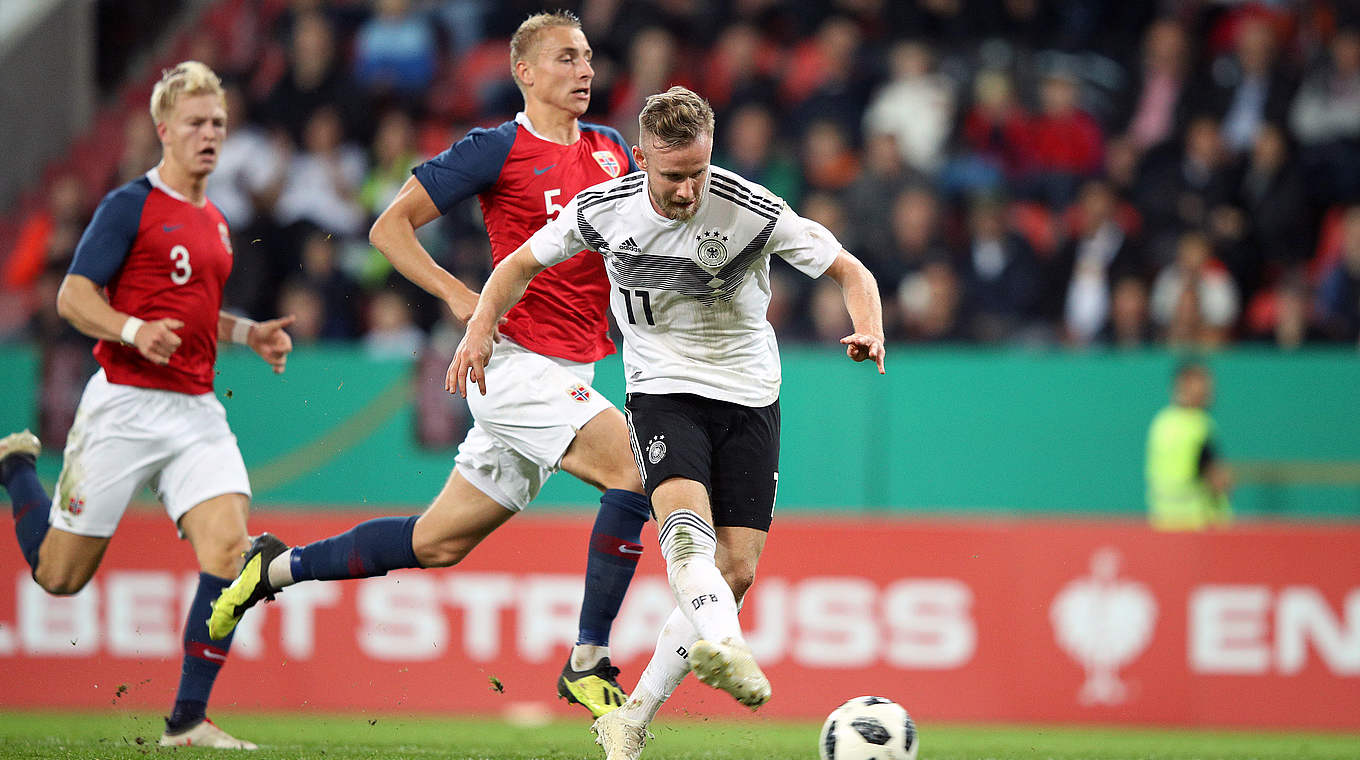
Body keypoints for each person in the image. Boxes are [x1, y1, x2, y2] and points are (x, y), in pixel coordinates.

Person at [206, 11, 650, 719]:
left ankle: (272, 567)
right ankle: (588, 657)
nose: (586, 70)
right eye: (566, 58)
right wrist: (456, 294)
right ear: (525, 73)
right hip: (513, 366)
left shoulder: (610, 149)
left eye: (589, 57)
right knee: (633, 469)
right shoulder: (494, 148)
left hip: (574, 368)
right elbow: (389, 226)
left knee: (436, 543)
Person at [448, 86, 886, 760]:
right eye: (674, 175)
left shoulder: (750, 208)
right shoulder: (604, 209)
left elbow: (851, 270)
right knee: (685, 531)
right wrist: (480, 332)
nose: (687, 190)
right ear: (644, 160)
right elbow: (517, 266)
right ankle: (729, 646)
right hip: (662, 389)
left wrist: (869, 329)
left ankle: (631, 718)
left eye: (698, 173)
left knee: (736, 569)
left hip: (749, 394)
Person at [0, 61, 295, 749]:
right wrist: (133, 330)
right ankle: (17, 470)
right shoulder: (128, 205)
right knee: (59, 577)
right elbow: (74, 296)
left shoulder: (217, 223)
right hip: (123, 406)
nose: (209, 134)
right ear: (163, 130)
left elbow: (197, 313)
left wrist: (246, 332)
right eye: (195, 122)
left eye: (218, 122)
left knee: (230, 554)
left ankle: (187, 721)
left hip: (194, 411)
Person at [1145, 361, 1233, 531]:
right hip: (1199, 526)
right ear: (1184, 384)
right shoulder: (1199, 424)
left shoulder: (1161, 422)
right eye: (1203, 384)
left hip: (1164, 524)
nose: (1209, 390)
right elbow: (1217, 480)